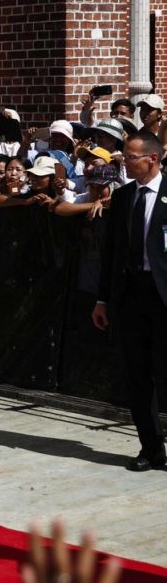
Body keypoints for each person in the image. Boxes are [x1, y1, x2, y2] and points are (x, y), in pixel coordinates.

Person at [93, 131, 167, 472]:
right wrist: (103, 299)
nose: (125, 162)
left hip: (163, 295)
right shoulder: (123, 197)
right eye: (124, 156)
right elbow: (111, 252)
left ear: (153, 158)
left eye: (131, 157)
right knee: (138, 374)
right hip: (131, 296)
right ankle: (151, 448)